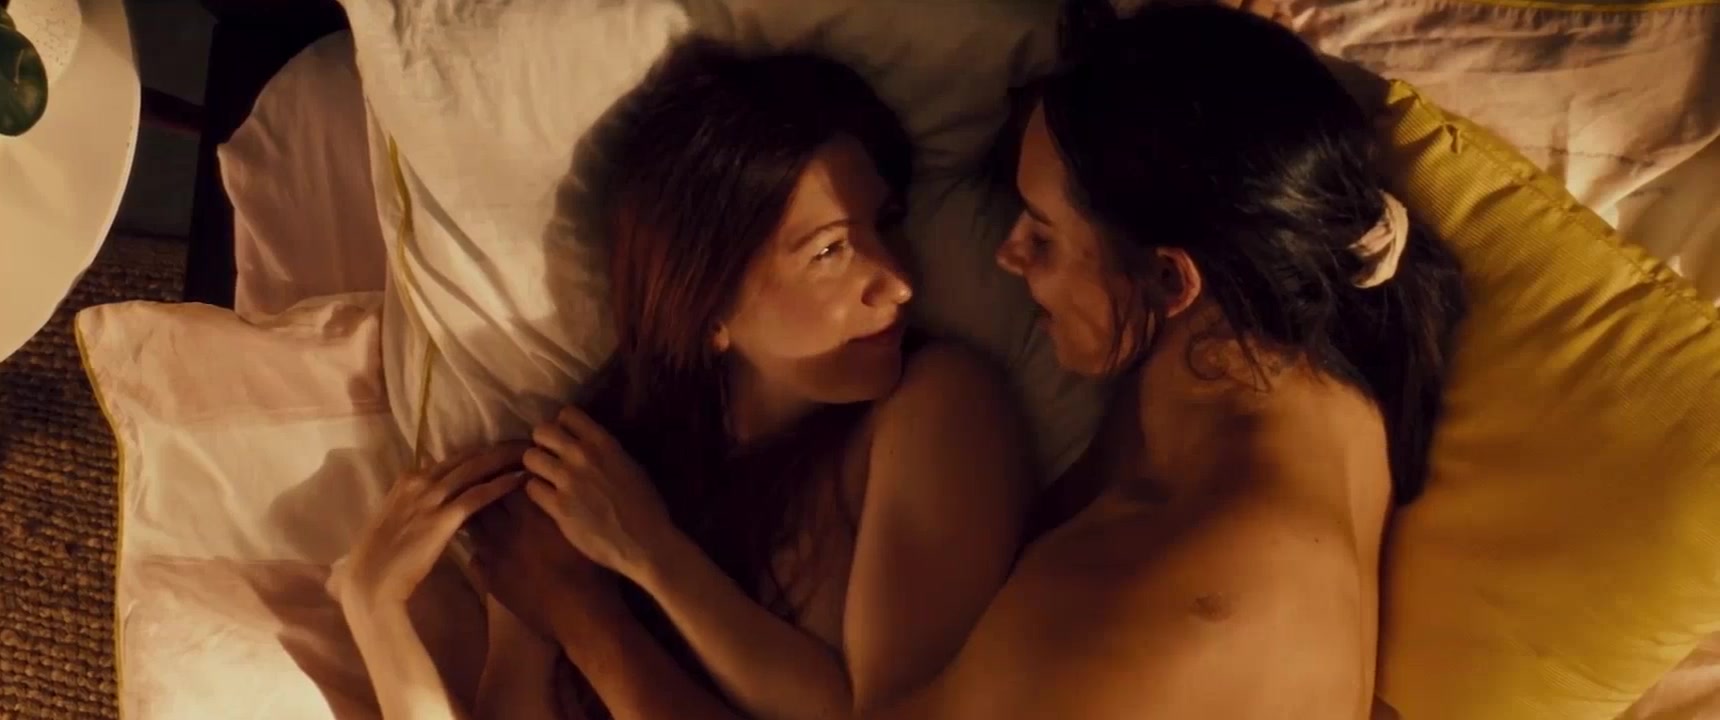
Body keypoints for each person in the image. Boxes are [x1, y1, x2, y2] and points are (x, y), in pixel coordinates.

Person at [491, 2, 1468, 719]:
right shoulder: (1289, 349)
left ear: (1171, 279)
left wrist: (584, 611)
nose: (1006, 257)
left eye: (1041, 234)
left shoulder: (1172, 587)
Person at [335, 36, 1037, 720]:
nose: (898, 282)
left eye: (887, 223)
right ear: (709, 308)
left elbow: (889, 711)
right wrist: (376, 614)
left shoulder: (937, 406)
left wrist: (641, 567)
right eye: (830, 252)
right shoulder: (591, 465)